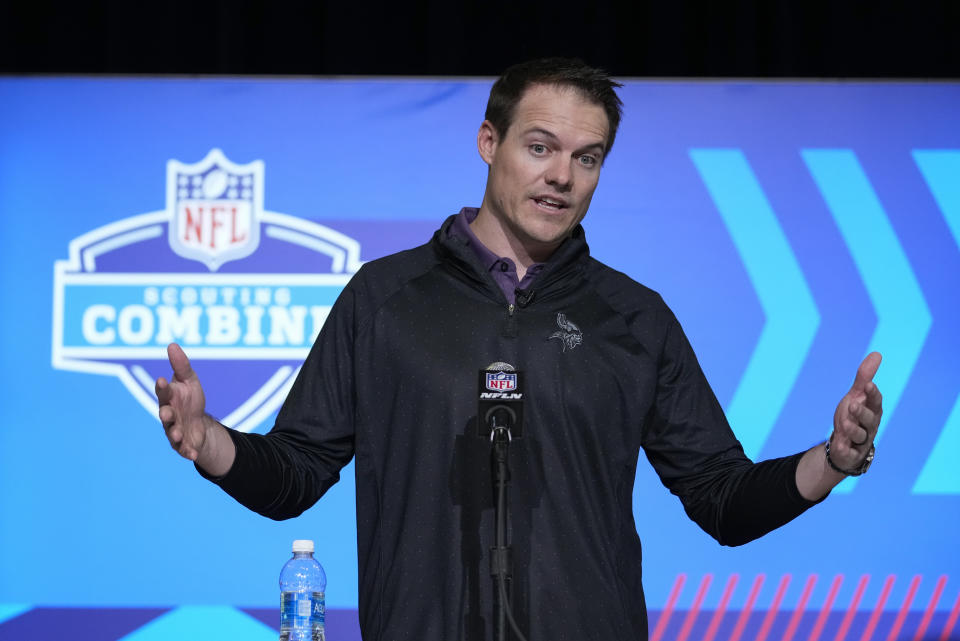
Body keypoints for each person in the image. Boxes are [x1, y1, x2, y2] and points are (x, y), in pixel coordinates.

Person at [156, 58, 883, 641]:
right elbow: (297, 473)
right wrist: (211, 442)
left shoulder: (634, 317)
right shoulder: (383, 298)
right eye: (540, 147)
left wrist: (831, 460)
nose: (562, 176)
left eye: (587, 157)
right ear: (488, 143)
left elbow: (723, 500)